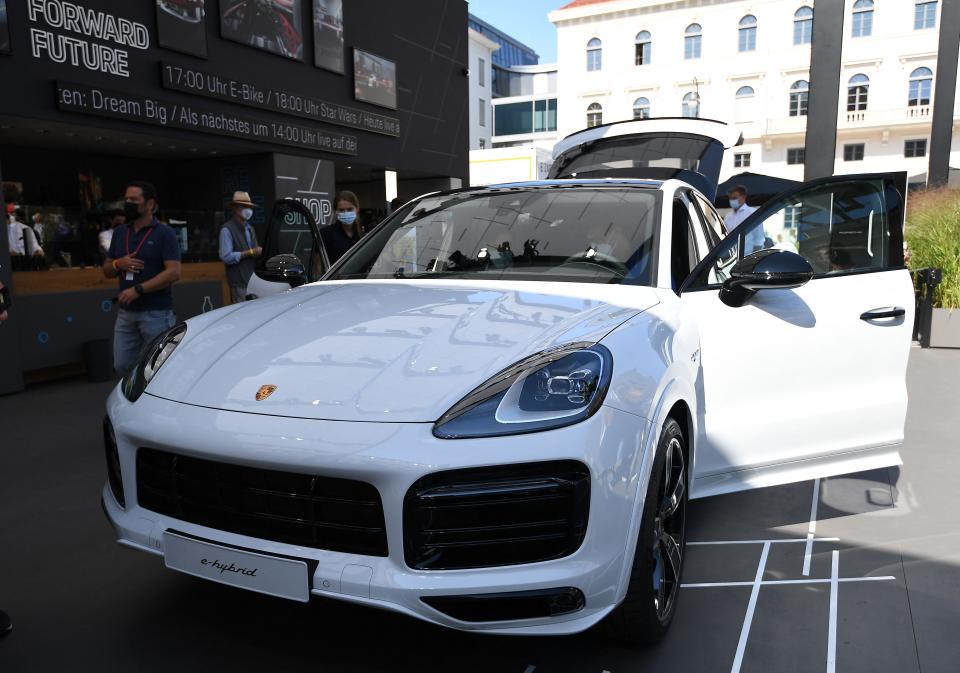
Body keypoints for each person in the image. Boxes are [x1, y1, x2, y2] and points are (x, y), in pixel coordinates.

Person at [102, 181, 181, 376]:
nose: (128, 203)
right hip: (126, 313)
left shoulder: (165, 233)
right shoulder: (120, 232)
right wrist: (117, 264)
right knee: (122, 365)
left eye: (134, 200)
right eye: (126, 199)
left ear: (150, 204)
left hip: (156, 313)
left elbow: (174, 272)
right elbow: (106, 269)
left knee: (159, 369)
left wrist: (138, 290)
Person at [218, 191, 262, 303]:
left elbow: (254, 250)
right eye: (245, 207)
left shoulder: (250, 228)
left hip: (252, 281)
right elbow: (226, 256)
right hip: (238, 283)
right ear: (236, 208)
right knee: (241, 315)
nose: (249, 210)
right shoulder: (227, 229)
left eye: (249, 207)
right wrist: (250, 252)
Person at [320, 190, 362, 262]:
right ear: (336, 211)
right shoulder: (326, 233)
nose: (346, 213)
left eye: (349, 209)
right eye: (341, 210)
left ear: (357, 209)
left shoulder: (364, 234)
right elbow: (318, 264)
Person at [724, 185, 764, 254]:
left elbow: (759, 239)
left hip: (747, 256)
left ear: (743, 197)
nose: (731, 200)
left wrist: (753, 259)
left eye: (734, 198)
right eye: (730, 198)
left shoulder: (752, 213)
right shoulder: (728, 216)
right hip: (730, 257)